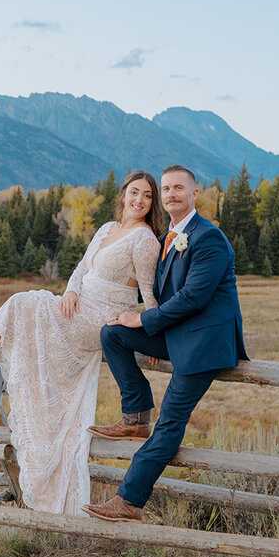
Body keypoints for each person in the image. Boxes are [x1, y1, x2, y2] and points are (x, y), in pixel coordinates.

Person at [0, 171, 165, 514]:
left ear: (152, 203)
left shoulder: (144, 240)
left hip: (101, 318)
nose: (139, 200)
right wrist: (70, 290)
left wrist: (151, 329)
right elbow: (82, 268)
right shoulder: (106, 230)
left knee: (24, 303)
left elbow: (148, 290)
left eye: (147, 196)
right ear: (123, 194)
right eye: (134, 193)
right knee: (27, 305)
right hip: (78, 304)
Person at [83, 165, 248, 522]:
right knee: (112, 333)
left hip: (204, 346)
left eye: (179, 188)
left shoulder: (209, 237)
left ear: (194, 193)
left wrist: (143, 320)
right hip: (175, 336)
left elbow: (193, 297)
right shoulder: (166, 239)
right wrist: (131, 316)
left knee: (170, 424)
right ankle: (136, 413)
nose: (171, 194)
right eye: (167, 189)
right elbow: (155, 293)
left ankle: (129, 501)